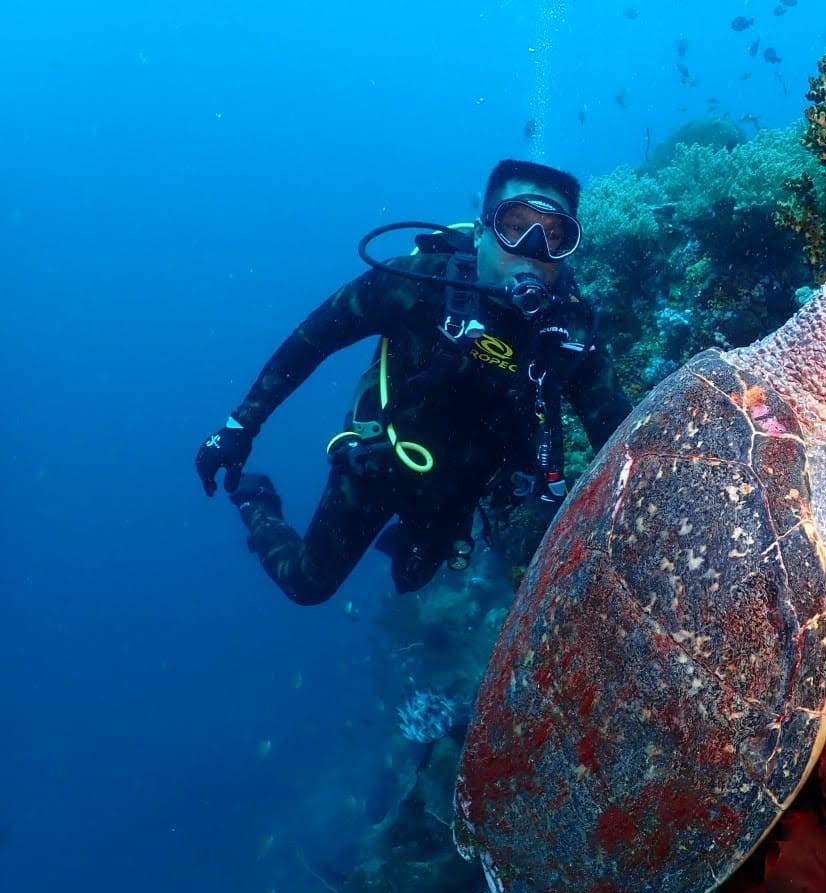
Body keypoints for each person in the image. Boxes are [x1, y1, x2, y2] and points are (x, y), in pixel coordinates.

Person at [196, 159, 632, 604]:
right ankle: (256, 501)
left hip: (461, 491)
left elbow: (623, 439)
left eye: (553, 236)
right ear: (481, 233)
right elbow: (312, 340)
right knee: (308, 585)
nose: (530, 251)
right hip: (380, 459)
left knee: (410, 580)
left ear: (567, 251)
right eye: (513, 226)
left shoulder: (571, 339)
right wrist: (239, 427)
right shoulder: (412, 284)